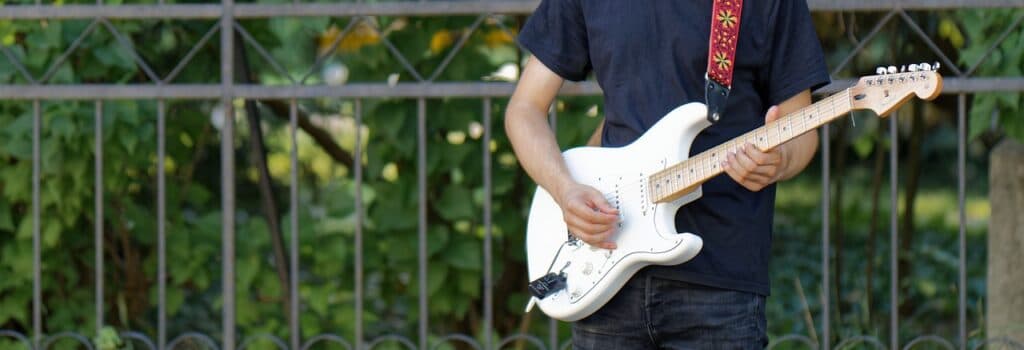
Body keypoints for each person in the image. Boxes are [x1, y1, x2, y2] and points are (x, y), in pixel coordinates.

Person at [504, 1, 831, 348]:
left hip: (720, 277)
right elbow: (524, 110)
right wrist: (565, 191)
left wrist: (779, 161)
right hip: (605, 267)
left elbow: (801, 128)